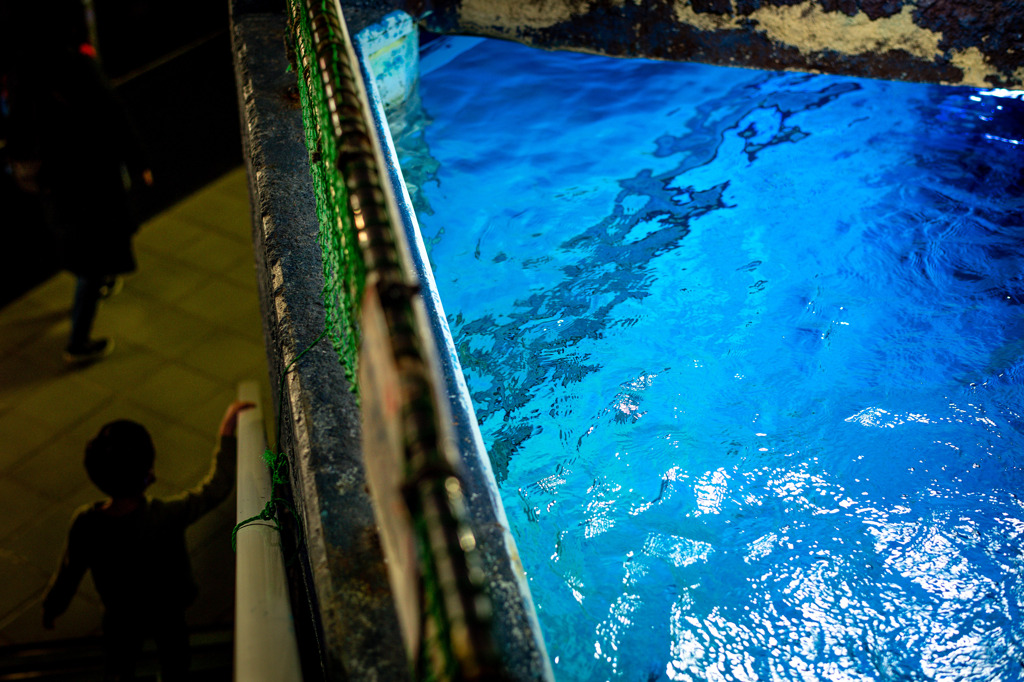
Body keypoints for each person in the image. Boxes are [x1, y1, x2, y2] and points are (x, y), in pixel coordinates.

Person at [41, 400, 255, 681]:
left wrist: (52, 607)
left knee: (120, 661)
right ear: (149, 474)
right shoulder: (165, 516)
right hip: (168, 607)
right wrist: (227, 430)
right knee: (175, 656)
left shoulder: (86, 523)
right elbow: (215, 489)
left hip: (120, 614)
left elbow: (69, 573)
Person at [1, 4, 152, 365]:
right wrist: (139, 161)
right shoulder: (78, 67)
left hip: (57, 186)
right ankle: (78, 342)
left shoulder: (22, 74)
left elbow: (17, 133)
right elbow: (116, 114)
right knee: (93, 259)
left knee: (81, 248)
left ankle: (98, 284)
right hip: (91, 181)